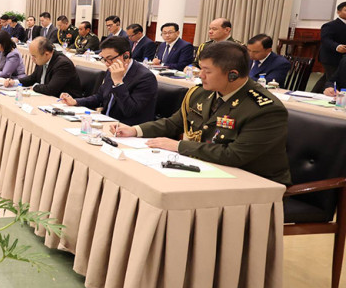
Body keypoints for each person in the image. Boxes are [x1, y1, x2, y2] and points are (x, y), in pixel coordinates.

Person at [109, 41, 290, 185]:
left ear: (232, 75)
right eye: (200, 69)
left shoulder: (264, 109)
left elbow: (235, 155)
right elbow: (174, 123)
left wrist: (179, 146)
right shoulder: (201, 92)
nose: (200, 75)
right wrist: (135, 130)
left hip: (252, 182)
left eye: (207, 71)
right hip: (208, 169)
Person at [60, 36, 157, 126]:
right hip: (107, 122)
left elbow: (130, 111)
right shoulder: (111, 70)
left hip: (127, 128)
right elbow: (100, 97)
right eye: (104, 59)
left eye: (110, 59)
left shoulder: (145, 78)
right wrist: (75, 101)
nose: (107, 64)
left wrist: (118, 83)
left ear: (126, 56)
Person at [18, 37, 84, 97]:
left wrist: (35, 86)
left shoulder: (63, 64)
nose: (32, 59)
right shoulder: (42, 59)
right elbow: (33, 78)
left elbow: (51, 90)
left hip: (65, 101)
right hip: (46, 96)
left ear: (46, 54)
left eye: (34, 56)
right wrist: (16, 82)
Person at [319, 2, 346, 89]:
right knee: (333, 80)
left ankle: (314, 93)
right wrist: (337, 47)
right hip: (331, 57)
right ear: (338, 12)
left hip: (343, 59)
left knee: (327, 79)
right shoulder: (330, 25)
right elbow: (325, 40)